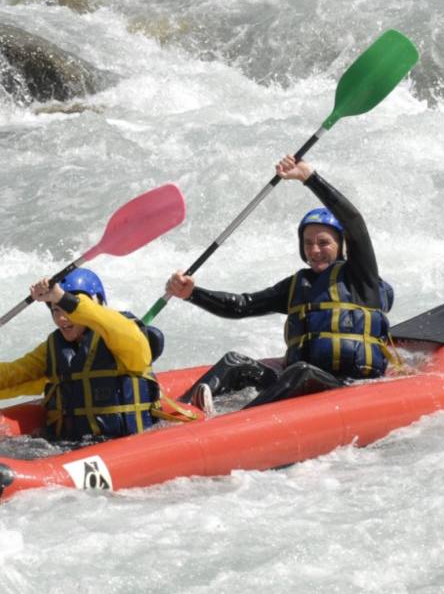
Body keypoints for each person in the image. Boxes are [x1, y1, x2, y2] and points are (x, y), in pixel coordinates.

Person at [165, 154, 395, 413]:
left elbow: (354, 222)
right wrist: (193, 293)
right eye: (308, 243)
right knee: (235, 363)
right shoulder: (299, 285)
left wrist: (310, 178)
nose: (315, 250)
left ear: (340, 246)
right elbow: (242, 305)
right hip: (299, 381)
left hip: (347, 385)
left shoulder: (360, 277)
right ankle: (178, 413)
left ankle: (238, 422)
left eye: (323, 243)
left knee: (301, 371)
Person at [0, 268, 169, 445]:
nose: (61, 318)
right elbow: (5, 378)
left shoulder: (126, 338)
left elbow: (115, 327)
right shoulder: (54, 350)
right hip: (70, 445)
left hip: (125, 444)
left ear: (95, 304)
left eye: (69, 310)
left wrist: (64, 298)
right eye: (55, 310)